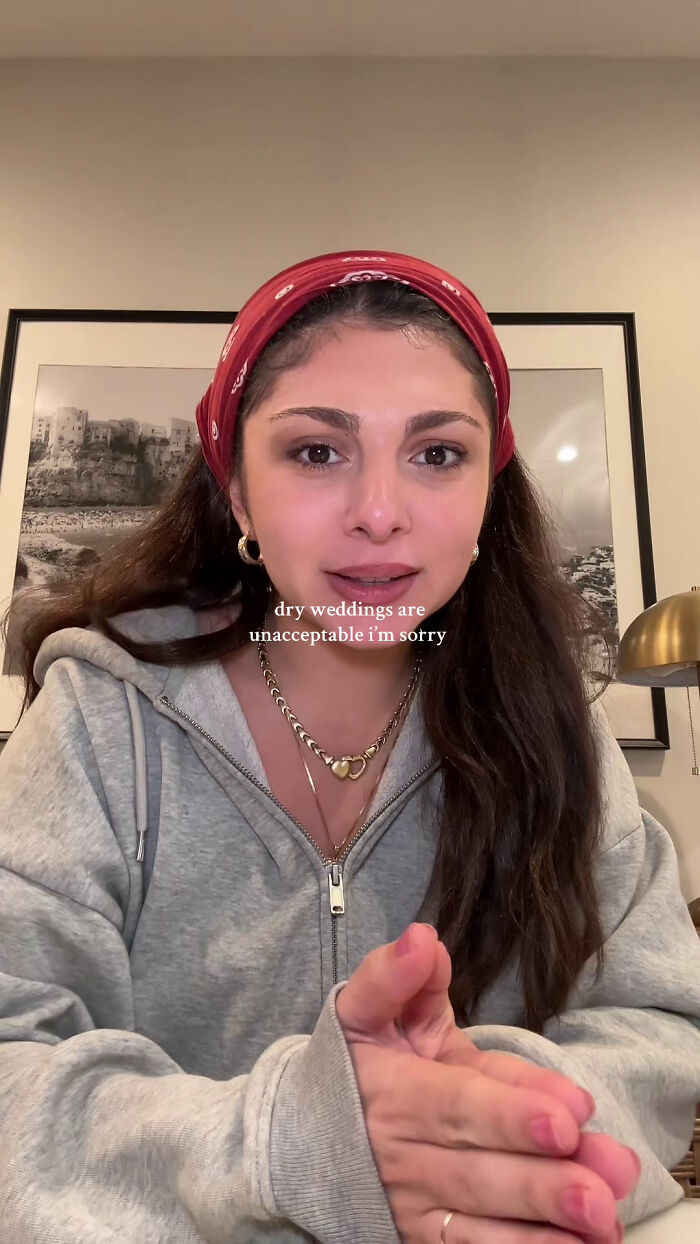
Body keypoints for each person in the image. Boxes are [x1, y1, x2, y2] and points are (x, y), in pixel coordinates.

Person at [0, 249, 698, 1244]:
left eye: (437, 452)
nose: (379, 509)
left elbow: (661, 1022)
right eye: (317, 452)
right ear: (238, 493)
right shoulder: (100, 718)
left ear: (487, 489)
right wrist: (289, 1144)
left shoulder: (555, 725)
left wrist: (481, 1128)